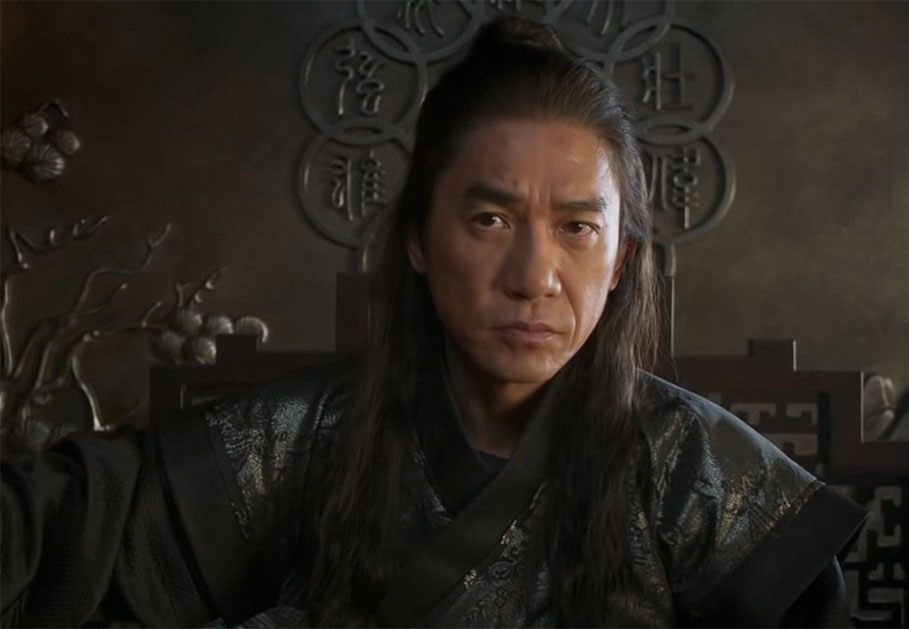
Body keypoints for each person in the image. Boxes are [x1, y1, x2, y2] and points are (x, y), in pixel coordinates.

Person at [1, 17, 865, 628]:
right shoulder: (306, 439)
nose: (533, 277)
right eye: (489, 219)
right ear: (418, 239)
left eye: (577, 228)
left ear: (621, 261)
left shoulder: (697, 472)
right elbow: (58, 526)